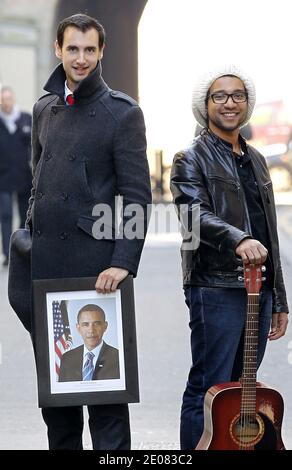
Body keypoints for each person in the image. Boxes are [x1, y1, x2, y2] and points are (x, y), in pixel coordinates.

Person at [24, 13, 151, 450]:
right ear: (59, 50)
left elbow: (136, 194)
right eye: (73, 49)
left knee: (105, 401)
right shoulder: (43, 108)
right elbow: (37, 180)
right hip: (46, 275)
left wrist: (122, 261)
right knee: (57, 404)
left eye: (90, 50)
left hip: (97, 275)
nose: (81, 58)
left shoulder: (122, 113)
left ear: (101, 53)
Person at [170, 64, 289, 450]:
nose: (229, 103)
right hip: (214, 286)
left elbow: (269, 230)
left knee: (243, 391)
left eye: (237, 95)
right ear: (204, 105)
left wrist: (280, 298)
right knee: (210, 386)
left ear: (247, 103)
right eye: (219, 96)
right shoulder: (191, 157)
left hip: (260, 290)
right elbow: (193, 215)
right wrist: (237, 239)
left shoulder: (255, 159)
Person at [0, 86, 32, 266]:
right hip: (3, 179)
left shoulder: (26, 119)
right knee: (5, 215)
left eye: (8, 99)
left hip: (24, 177)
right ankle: (7, 253)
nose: (6, 103)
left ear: (13, 99)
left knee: (24, 214)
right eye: (3, 100)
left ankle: (20, 250)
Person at [59, 304, 119, 382]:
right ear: (78, 328)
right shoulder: (67, 358)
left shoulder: (118, 358)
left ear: (105, 326)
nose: (91, 330)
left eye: (97, 324)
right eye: (85, 324)